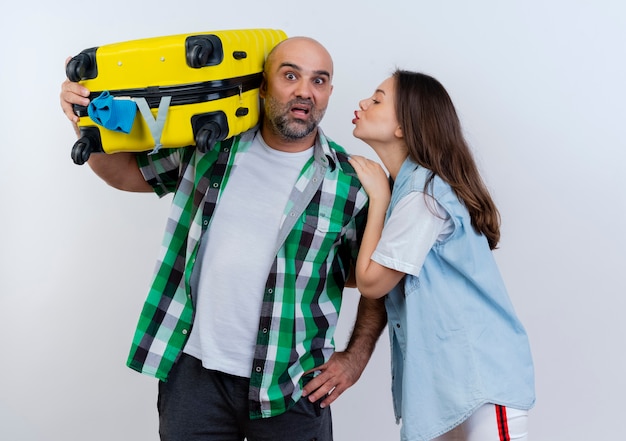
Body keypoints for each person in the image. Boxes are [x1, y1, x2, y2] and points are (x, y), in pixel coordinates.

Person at [60, 36, 387, 441]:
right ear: (263, 84)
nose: (305, 91)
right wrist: (83, 120)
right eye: (291, 76)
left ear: (329, 93)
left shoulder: (351, 183)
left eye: (319, 81)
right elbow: (126, 173)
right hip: (194, 379)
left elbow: (375, 279)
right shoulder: (211, 147)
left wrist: (355, 358)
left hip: (292, 382)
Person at [348, 70, 535, 441]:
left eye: (378, 98)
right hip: (443, 391)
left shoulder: (422, 192)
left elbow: (371, 282)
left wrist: (379, 197)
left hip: (481, 384)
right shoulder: (411, 188)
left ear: (404, 125)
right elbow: (366, 271)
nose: (362, 103)